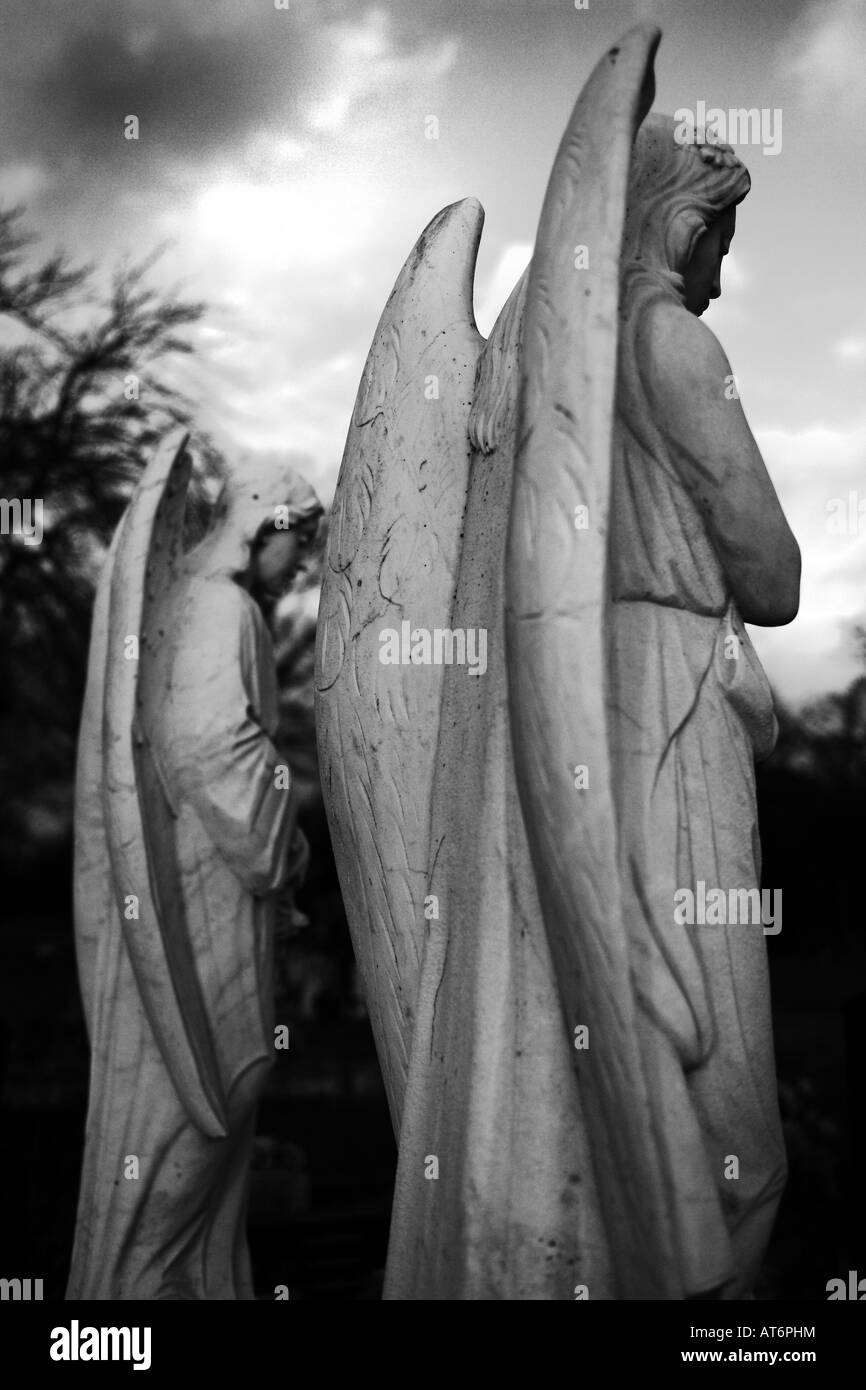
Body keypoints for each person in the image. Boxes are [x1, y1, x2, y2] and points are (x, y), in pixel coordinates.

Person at [607, 114, 801, 1296]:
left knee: (641, 1058)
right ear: (684, 225)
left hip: (602, 712)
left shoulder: (561, 363)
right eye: (719, 241)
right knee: (731, 1126)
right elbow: (773, 577)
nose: (721, 278)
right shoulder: (671, 346)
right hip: (676, 714)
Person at [67, 452, 322, 1299]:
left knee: (219, 1102)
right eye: (302, 540)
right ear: (263, 524)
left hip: (209, 874)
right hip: (209, 881)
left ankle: (173, 1284)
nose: (305, 565)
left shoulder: (201, 600)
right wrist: (282, 849)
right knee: (210, 1096)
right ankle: (139, 1293)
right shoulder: (220, 606)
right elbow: (209, 746)